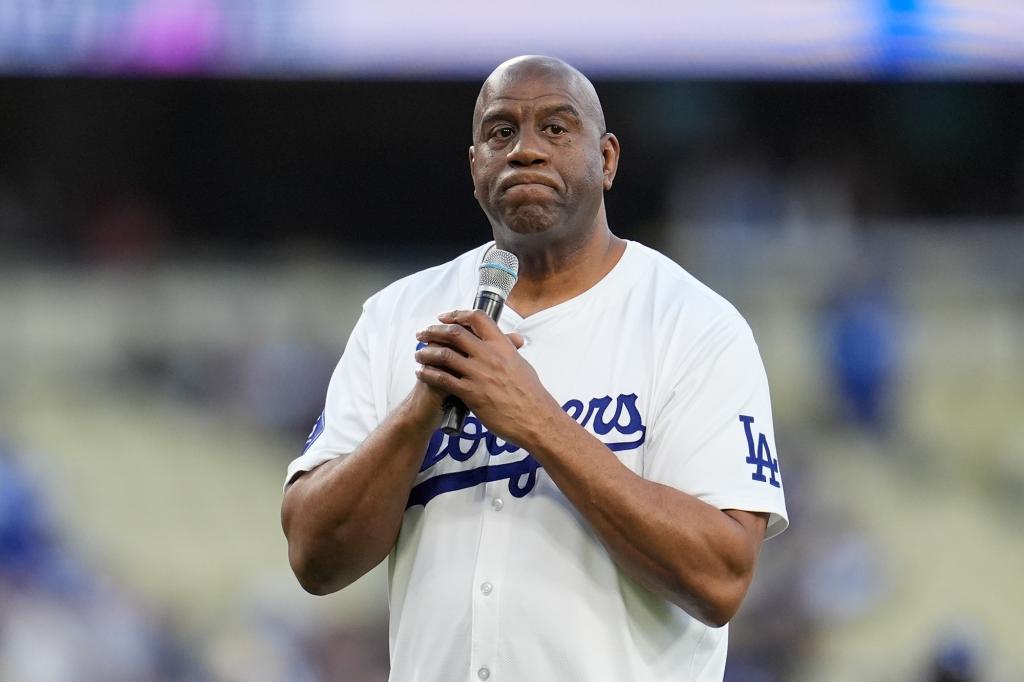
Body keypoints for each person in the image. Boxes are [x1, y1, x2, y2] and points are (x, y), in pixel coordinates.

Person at [281, 55, 788, 681]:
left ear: (606, 160)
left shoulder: (695, 326)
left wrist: (539, 422)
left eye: (555, 128)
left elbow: (721, 577)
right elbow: (313, 555)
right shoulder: (396, 318)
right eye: (501, 132)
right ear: (475, 169)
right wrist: (420, 412)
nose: (525, 150)